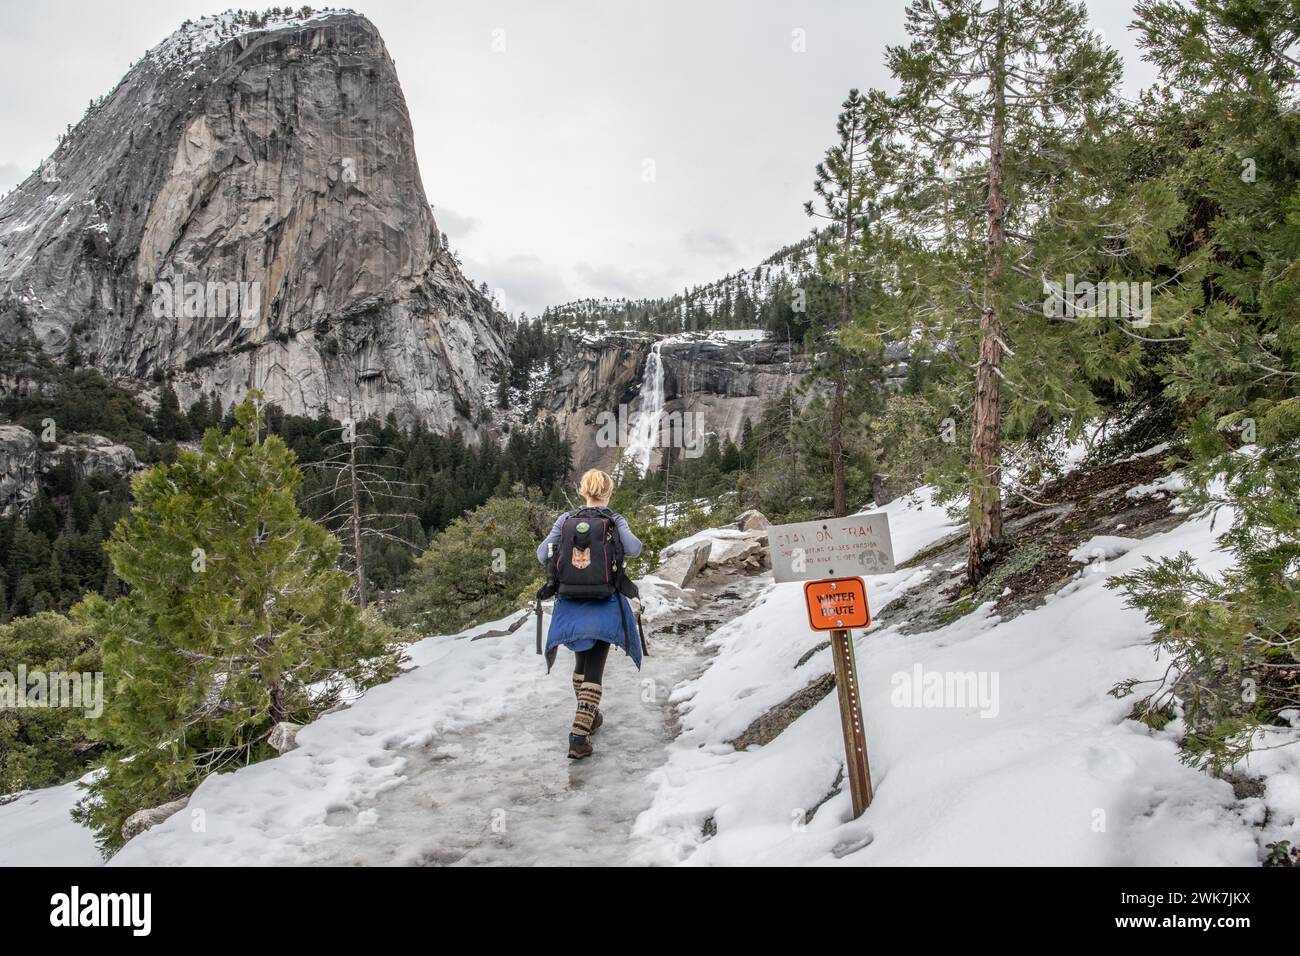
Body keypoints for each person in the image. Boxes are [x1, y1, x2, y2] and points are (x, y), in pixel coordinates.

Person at [536, 468, 642, 759]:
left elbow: (542, 553)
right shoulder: (613, 519)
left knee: (581, 663)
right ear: (608, 492)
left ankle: (589, 717)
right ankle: (578, 737)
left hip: (570, 602)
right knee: (595, 667)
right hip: (604, 602)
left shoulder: (566, 520)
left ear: (583, 491)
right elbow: (634, 549)